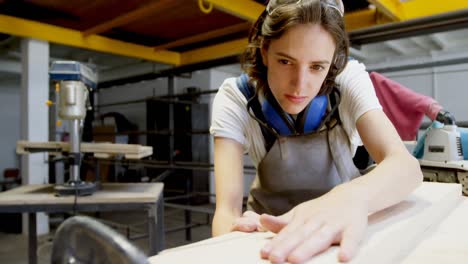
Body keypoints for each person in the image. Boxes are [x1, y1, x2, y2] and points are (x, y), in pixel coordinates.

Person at [209, 0, 423, 263]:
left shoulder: (348, 79)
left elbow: (406, 167)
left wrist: (350, 199)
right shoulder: (236, 97)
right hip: (268, 239)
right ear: (264, 51)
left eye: (317, 67)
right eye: (286, 61)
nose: (300, 85)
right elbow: (226, 211)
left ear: (333, 62)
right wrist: (232, 237)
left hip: (340, 234)